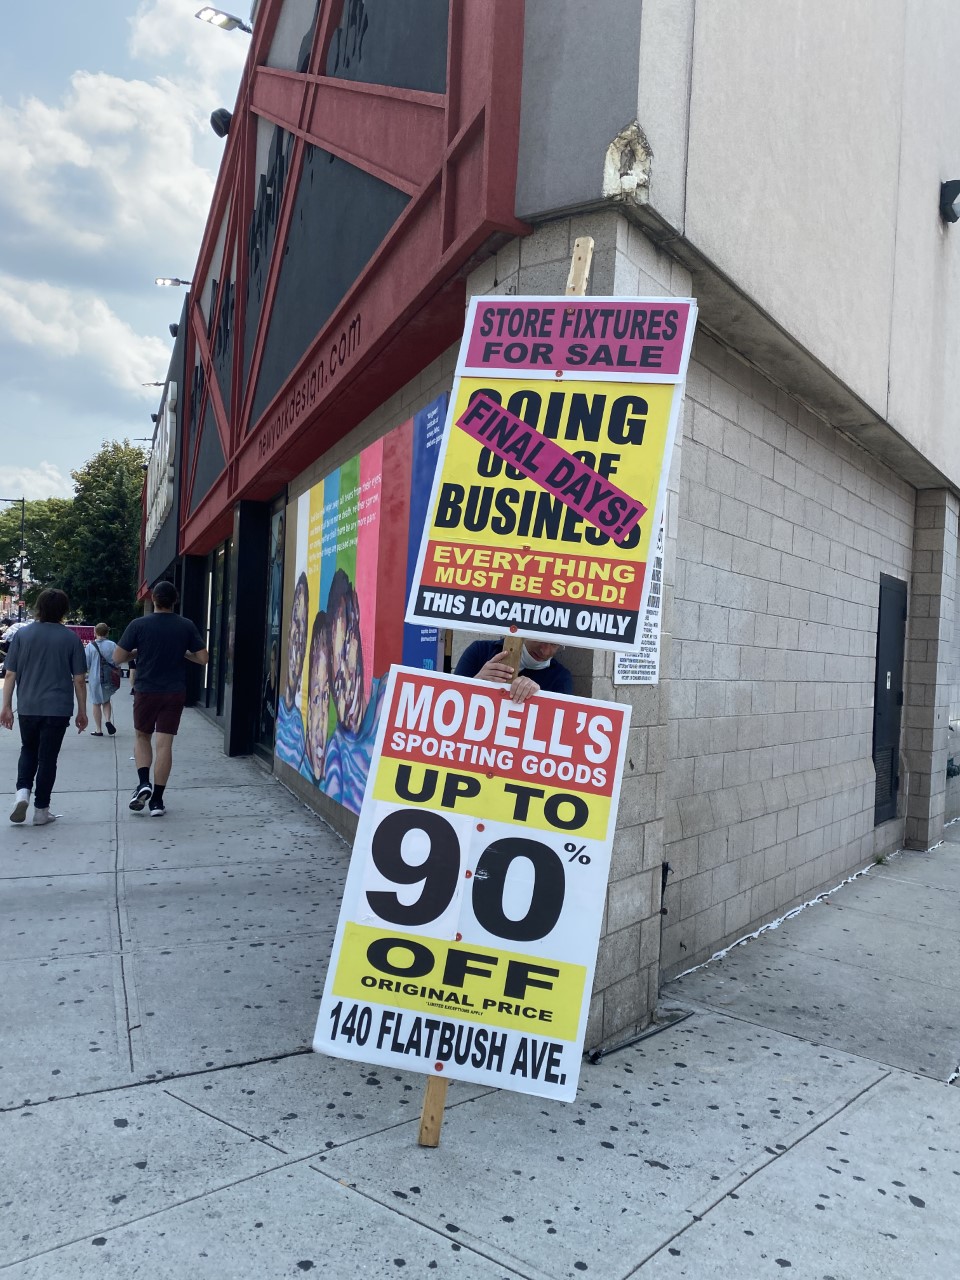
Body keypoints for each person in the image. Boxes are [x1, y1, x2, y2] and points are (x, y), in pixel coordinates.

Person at [113, 581, 207, 817]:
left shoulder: (138, 625)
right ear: (175, 601)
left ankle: (143, 782)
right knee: (165, 744)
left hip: (146, 690)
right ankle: (157, 800)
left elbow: (117, 657)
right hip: (174, 692)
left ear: (153, 599)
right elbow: (203, 658)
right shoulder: (186, 626)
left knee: (142, 736)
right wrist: (183, 653)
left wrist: (137, 652)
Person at [1, 588, 88, 825]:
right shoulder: (71, 638)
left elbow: (10, 674)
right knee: (48, 758)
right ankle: (41, 811)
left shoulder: (23, 635)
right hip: (58, 708)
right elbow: (79, 679)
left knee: (28, 749)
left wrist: (6, 706)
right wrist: (82, 710)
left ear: (38, 607)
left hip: (28, 705)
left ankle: (22, 792)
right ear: (64, 610)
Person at [455, 636, 573, 702]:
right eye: (540, 639)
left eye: (554, 644)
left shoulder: (560, 678)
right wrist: (476, 682)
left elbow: (557, 728)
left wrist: (538, 698)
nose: (545, 651)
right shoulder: (480, 651)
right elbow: (450, 701)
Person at [275, 572, 309, 768]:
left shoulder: (301, 722)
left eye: (302, 628)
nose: (298, 638)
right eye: (296, 624)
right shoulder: (286, 711)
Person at [85, 623, 119, 736]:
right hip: (108, 677)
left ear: (95, 632)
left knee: (96, 703)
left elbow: (86, 664)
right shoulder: (112, 645)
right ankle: (108, 720)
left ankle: (98, 729)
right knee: (106, 700)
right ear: (107, 633)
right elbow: (116, 661)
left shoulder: (90, 646)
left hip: (95, 678)